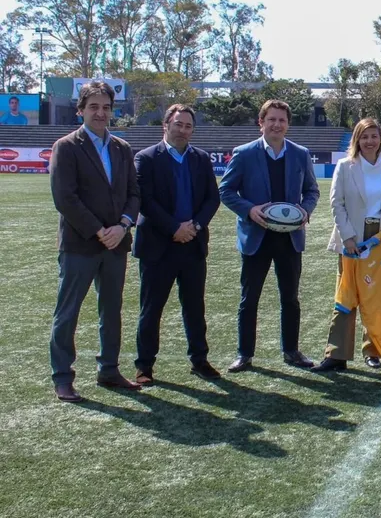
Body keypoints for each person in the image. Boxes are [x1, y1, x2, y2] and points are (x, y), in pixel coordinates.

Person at [48, 80, 140, 401]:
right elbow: (65, 198)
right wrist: (100, 230)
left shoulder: (122, 148)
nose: (100, 113)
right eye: (93, 107)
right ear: (81, 110)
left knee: (111, 311)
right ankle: (62, 376)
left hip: (116, 245)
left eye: (106, 107)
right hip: (80, 245)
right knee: (68, 312)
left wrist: (123, 226)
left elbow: (134, 193)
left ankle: (109, 369)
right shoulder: (66, 147)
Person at [219, 99, 320, 372]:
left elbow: (312, 191)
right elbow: (226, 190)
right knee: (249, 299)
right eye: (271, 119)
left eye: (282, 120)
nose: (277, 125)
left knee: (290, 298)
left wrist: (305, 210)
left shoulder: (300, 154)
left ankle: (291, 350)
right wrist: (249, 210)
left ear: (288, 124)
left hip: (290, 239)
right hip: (256, 238)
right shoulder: (244, 154)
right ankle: (244, 354)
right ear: (261, 123)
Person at [132, 104, 221, 384]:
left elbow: (212, 198)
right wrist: (174, 228)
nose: (183, 130)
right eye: (178, 124)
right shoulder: (146, 158)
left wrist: (194, 227)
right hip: (158, 247)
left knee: (195, 307)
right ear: (166, 125)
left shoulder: (201, 158)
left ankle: (199, 360)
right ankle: (144, 366)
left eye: (188, 126)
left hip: (192, 244)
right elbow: (145, 201)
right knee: (151, 309)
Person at [314, 118, 381, 372]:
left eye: (374, 136)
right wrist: (347, 237)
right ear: (357, 140)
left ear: (380, 140)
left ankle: (372, 351)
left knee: (377, 296)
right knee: (346, 295)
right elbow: (337, 204)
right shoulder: (345, 166)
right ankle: (336, 354)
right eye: (364, 136)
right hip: (352, 240)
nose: (369, 141)